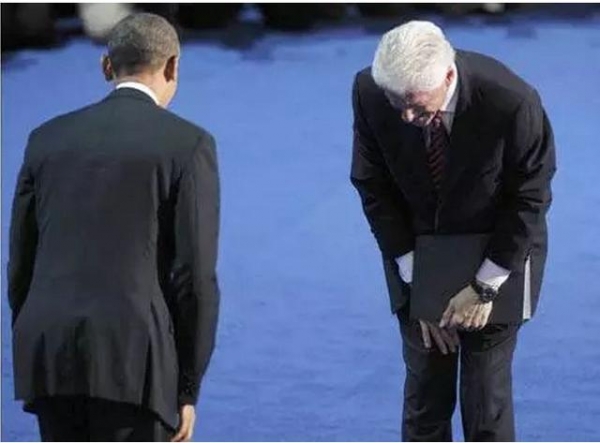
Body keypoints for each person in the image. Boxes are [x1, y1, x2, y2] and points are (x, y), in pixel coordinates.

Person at [7, 13, 220, 442]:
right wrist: (186, 387)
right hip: (134, 366)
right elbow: (194, 277)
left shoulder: (45, 138)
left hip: (49, 354)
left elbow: (20, 262)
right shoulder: (188, 145)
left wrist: (37, 343)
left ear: (107, 66)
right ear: (173, 66)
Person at [350, 21, 556, 441]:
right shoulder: (370, 90)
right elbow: (373, 186)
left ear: (447, 76)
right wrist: (422, 288)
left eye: (417, 106)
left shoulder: (512, 102)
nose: (406, 117)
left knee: (485, 400)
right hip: (416, 251)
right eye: (396, 103)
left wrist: (483, 288)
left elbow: (529, 199)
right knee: (425, 393)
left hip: (499, 252)